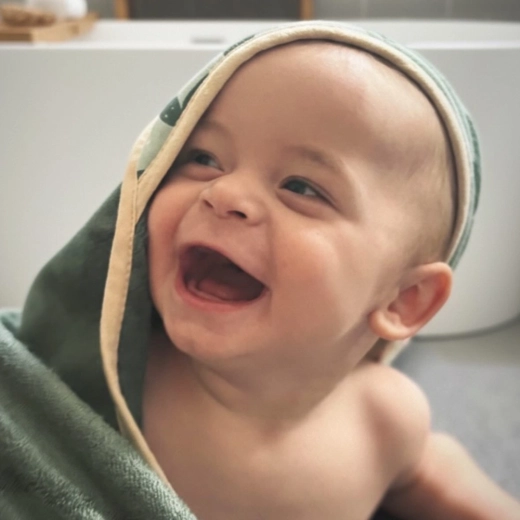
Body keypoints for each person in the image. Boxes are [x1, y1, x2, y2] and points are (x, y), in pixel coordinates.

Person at [1, 21, 518, 520]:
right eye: (204, 157)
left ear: (405, 299)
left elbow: (427, 472)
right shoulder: (108, 381)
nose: (223, 192)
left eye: (301, 187)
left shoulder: (384, 419)